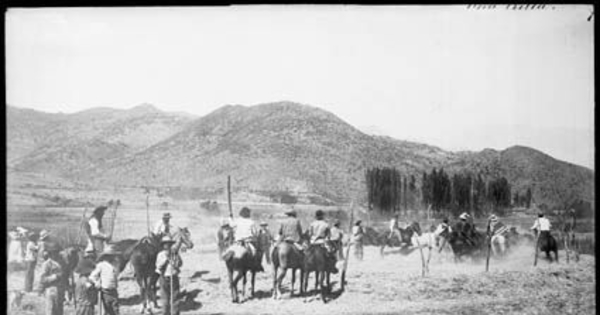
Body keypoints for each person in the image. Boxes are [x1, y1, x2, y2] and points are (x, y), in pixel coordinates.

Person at [156, 235, 182, 315]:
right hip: (164, 277)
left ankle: (175, 313)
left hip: (173, 277)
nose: (168, 246)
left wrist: (175, 262)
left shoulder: (175, 254)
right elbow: (158, 266)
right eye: (166, 244)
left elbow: (180, 263)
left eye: (169, 244)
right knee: (165, 299)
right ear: (163, 245)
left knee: (175, 297)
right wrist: (166, 260)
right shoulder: (160, 255)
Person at [90, 245, 120, 315]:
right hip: (105, 292)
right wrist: (97, 283)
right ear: (106, 256)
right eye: (110, 256)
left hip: (114, 291)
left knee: (116, 310)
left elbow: (116, 275)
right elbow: (92, 276)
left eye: (113, 255)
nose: (112, 257)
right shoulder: (101, 265)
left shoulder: (116, 264)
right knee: (107, 310)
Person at [229, 207, 262, 271]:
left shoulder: (237, 221)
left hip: (237, 242)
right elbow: (255, 233)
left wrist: (230, 217)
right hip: (248, 242)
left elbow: (231, 224)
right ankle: (256, 265)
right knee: (255, 252)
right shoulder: (251, 222)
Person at [38, 242, 64, 315]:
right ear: (50, 253)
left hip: (60, 290)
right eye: (54, 252)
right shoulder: (47, 264)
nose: (56, 254)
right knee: (51, 310)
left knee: (59, 310)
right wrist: (55, 277)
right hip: (51, 289)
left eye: (57, 252)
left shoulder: (61, 262)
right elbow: (42, 279)